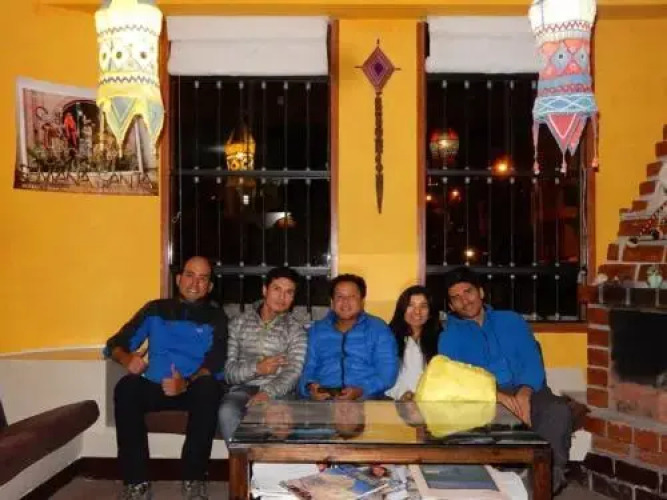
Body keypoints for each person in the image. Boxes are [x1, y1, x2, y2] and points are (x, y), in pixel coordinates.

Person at [437, 266, 573, 494]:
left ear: (481, 292)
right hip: (484, 397)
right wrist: (497, 396)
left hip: (528, 388)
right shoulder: (449, 337)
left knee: (557, 410)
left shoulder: (511, 320)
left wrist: (525, 393)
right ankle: (506, 480)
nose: (465, 301)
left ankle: (546, 481)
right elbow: (457, 379)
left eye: (468, 292)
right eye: (456, 298)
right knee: (486, 421)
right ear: (451, 306)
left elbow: (532, 358)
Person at [106, 256, 228, 500]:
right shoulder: (155, 310)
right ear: (178, 279)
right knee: (126, 387)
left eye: (203, 278)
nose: (195, 283)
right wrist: (127, 359)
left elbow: (215, 363)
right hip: (155, 385)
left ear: (209, 286)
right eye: (190, 275)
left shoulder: (216, 317)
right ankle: (136, 483)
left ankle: (193, 479)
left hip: (193, 387)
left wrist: (185, 383)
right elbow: (115, 343)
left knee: (209, 388)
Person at [218, 266, 307, 442]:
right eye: (277, 289)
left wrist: (268, 393)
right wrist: (258, 368)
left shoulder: (296, 330)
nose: (282, 297)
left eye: (289, 292)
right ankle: (241, 459)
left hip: (280, 391)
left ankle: (266, 459)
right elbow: (229, 372)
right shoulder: (238, 324)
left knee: (280, 418)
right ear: (265, 290)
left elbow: (294, 372)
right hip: (242, 389)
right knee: (227, 411)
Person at [298, 274, 399, 401]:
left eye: (352, 296)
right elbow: (306, 369)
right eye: (340, 297)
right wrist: (309, 388)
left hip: (367, 401)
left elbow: (387, 375)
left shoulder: (379, 329)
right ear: (332, 301)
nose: (345, 302)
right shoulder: (317, 330)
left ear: (362, 301)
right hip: (324, 402)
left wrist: (361, 391)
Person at [385, 285, 440, 401]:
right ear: (402, 309)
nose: (417, 311)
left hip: (430, 406)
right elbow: (383, 377)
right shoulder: (388, 338)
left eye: (423, 306)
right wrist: (402, 394)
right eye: (411, 305)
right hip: (395, 405)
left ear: (430, 312)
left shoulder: (440, 339)